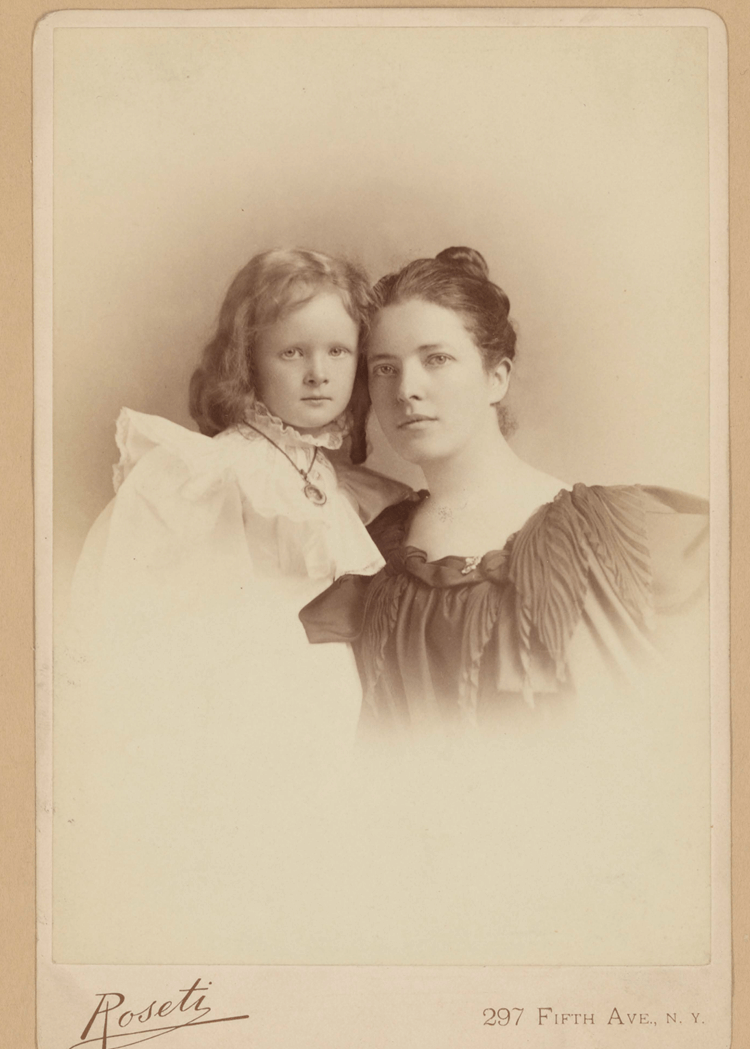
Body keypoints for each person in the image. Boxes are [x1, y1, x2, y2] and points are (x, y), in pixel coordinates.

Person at [54, 248, 409, 962]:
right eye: (292, 352)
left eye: (338, 350)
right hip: (242, 726)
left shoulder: (340, 486)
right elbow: (157, 622)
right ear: (249, 363)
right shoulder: (216, 473)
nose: (318, 372)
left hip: (327, 728)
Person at [300, 247, 710, 734]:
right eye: (384, 368)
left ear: (497, 378)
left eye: (436, 359)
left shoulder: (603, 533)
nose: (406, 388)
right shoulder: (375, 548)